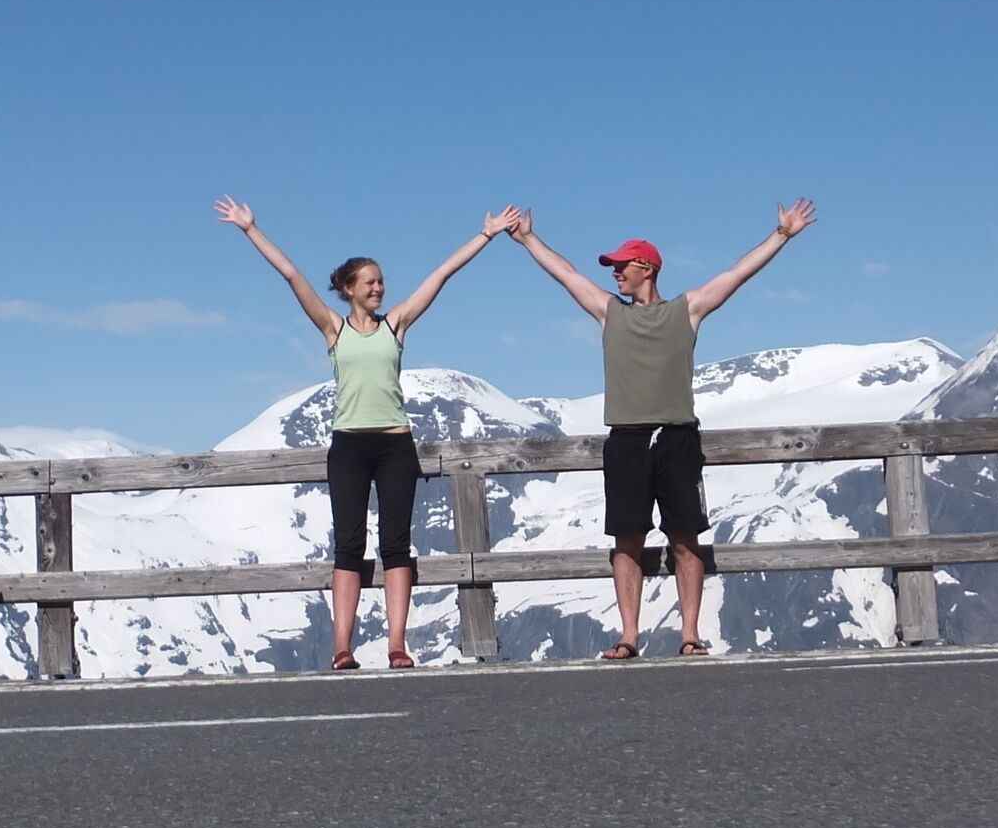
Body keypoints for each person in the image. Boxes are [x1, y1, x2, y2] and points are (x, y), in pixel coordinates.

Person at [217, 195, 523, 670]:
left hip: (395, 444)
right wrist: (250, 229)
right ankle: (343, 647)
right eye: (371, 281)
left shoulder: (395, 325)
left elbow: (440, 276)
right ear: (349, 289)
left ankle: (397, 645)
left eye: (381, 281)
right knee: (348, 546)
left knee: (397, 546)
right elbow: (292, 276)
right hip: (349, 446)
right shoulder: (333, 330)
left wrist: (485, 235)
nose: (380, 287)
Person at [507, 200, 817, 659]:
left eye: (620, 266)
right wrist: (528, 239)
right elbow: (567, 275)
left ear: (646, 268)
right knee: (627, 538)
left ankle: (689, 634)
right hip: (627, 438)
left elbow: (735, 275)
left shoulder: (686, 310)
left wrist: (782, 236)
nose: (614, 273)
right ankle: (629, 636)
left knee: (685, 537)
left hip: (676, 437)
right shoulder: (610, 312)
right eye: (612, 267)